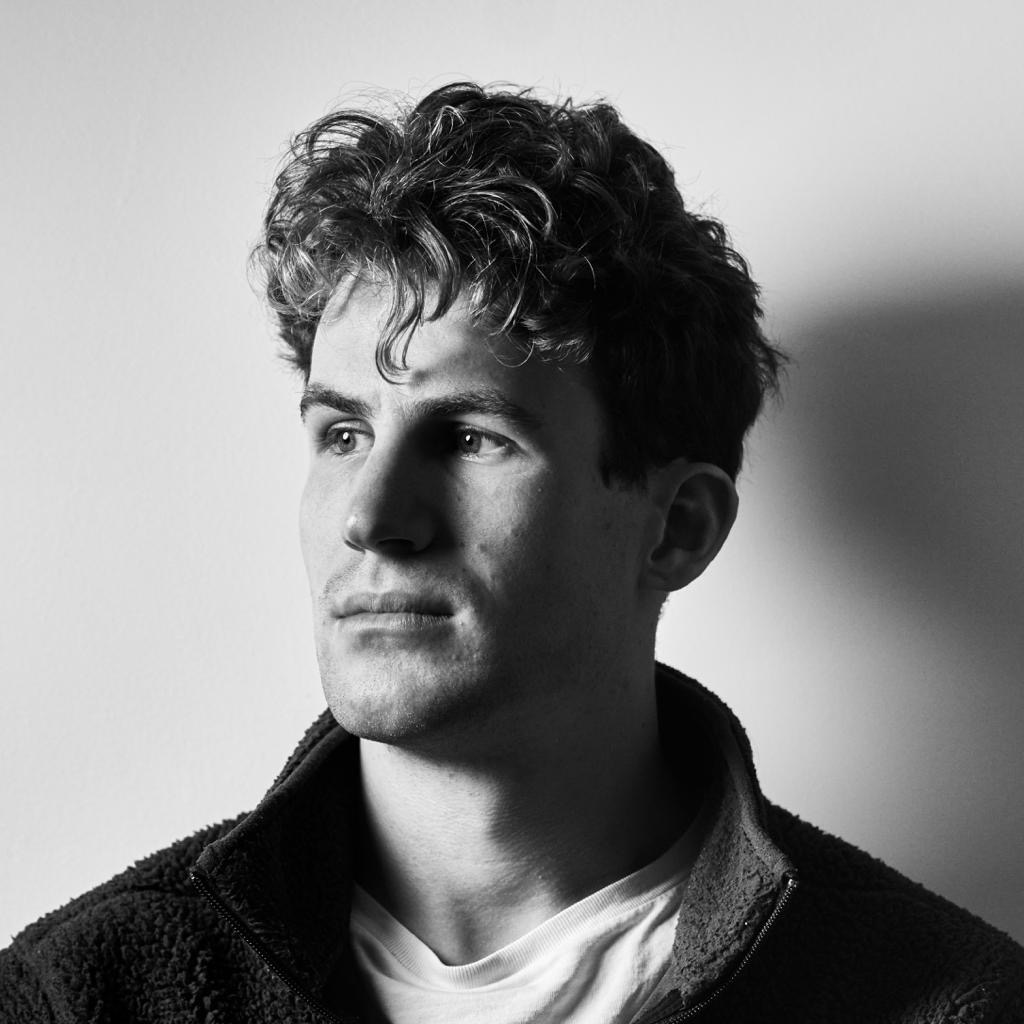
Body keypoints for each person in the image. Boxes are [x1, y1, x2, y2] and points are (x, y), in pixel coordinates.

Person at [2, 81, 1022, 1024]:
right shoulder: (85, 994)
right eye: (342, 432)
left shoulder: (944, 1002)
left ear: (676, 529)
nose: (371, 516)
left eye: (469, 437)